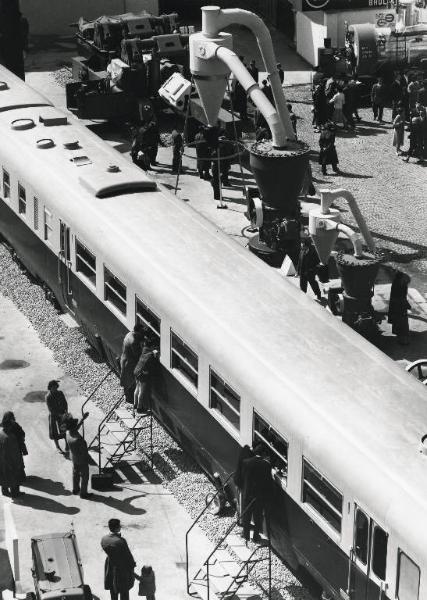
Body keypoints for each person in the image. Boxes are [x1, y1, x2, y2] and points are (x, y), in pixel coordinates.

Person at [241, 444, 273, 543]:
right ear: (263, 454)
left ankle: (246, 535)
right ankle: (255, 537)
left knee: (246, 515)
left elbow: (242, 478)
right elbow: (268, 483)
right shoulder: (267, 465)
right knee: (258, 517)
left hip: (247, 494)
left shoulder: (246, 462)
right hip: (259, 496)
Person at [101, 518, 136, 600]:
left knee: (113, 590)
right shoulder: (121, 541)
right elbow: (128, 557)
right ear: (117, 528)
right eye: (119, 526)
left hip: (110, 566)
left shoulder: (104, 539)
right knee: (124, 592)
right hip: (122, 570)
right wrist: (132, 567)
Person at [64, 412, 91, 498]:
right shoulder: (79, 440)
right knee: (85, 476)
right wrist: (89, 460)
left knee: (75, 473)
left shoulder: (68, 432)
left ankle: (75, 489)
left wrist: (82, 419)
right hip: (82, 459)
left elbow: (75, 428)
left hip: (73, 457)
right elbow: (85, 452)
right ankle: (83, 493)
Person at [0, 412, 26, 498]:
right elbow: (14, 454)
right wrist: (18, 464)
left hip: (2, 459)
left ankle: (4, 490)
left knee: (3, 474)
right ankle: (15, 493)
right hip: (11, 460)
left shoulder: (1, 432)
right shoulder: (11, 438)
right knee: (14, 476)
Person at [120, 323, 145, 405]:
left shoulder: (129, 334)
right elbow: (138, 354)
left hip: (124, 360)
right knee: (131, 381)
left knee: (126, 379)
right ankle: (130, 399)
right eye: (142, 332)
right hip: (130, 363)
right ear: (138, 332)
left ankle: (128, 397)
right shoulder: (134, 340)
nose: (143, 334)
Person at [134, 337, 159, 413]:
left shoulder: (144, 349)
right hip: (142, 374)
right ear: (151, 347)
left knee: (137, 388)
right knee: (142, 391)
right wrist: (154, 353)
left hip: (136, 370)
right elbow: (151, 363)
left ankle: (135, 404)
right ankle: (139, 408)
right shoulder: (150, 355)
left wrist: (152, 352)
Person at [388, 271, 411, 345]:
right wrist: (406, 304)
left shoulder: (396, 282)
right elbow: (401, 297)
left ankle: (401, 337)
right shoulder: (401, 284)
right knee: (402, 323)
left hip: (397, 305)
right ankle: (403, 339)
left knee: (398, 322)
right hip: (399, 306)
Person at [46, 380, 68, 453]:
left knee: (64, 429)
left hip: (62, 414)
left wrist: (66, 412)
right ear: (50, 388)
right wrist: (59, 414)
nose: (55, 389)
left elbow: (65, 403)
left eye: (56, 387)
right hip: (53, 416)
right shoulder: (48, 397)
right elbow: (51, 409)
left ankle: (67, 445)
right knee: (54, 432)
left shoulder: (60, 393)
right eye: (53, 387)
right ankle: (58, 447)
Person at [233, 445, 254, 523]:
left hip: (238, 482)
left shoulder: (241, 460)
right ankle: (242, 521)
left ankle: (240, 519)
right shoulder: (247, 462)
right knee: (243, 504)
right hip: (243, 484)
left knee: (239, 502)